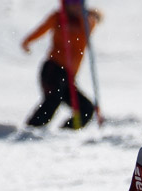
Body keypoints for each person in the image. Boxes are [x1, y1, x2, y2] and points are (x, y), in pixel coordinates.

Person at [21, 0, 102, 129]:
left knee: (86, 109)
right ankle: (30, 130)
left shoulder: (87, 23)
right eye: (69, 2)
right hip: (53, 69)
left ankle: (65, 133)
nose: (73, 6)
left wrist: (82, 14)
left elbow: (88, 26)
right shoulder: (58, 17)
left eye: (77, 3)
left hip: (68, 75)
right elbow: (42, 28)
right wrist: (27, 41)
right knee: (53, 100)